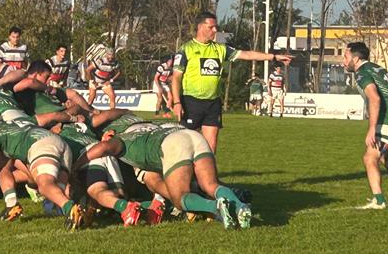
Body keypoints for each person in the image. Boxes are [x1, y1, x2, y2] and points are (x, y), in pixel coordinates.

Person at [78, 123, 251, 230]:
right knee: (211, 185)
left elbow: (102, 149)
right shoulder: (142, 129)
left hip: (173, 144)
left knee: (180, 197)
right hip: (192, 135)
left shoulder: (120, 140)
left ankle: (216, 207)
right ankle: (241, 207)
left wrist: (75, 166)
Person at [170, 11, 292, 152]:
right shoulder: (186, 49)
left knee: (211, 148)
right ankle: (187, 174)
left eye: (216, 26)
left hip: (213, 103)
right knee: (188, 147)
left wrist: (274, 57)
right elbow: (176, 78)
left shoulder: (220, 49)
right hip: (191, 102)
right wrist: (177, 102)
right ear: (200, 27)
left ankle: (206, 174)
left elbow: (247, 54)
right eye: (211, 27)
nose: (215, 30)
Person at [343, 42, 388, 209]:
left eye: (346, 57)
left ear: (356, 58)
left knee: (370, 157)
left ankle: (379, 200)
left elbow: (374, 98)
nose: (343, 62)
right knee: (384, 157)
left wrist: (371, 129)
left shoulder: (362, 73)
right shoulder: (376, 68)